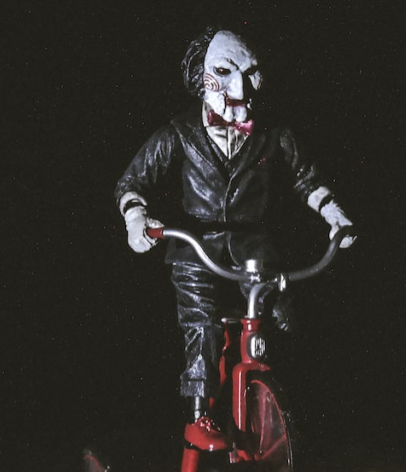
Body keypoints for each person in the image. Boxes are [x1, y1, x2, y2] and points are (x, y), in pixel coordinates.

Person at [114, 25, 355, 451]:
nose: (240, 89)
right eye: (224, 72)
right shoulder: (179, 132)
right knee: (201, 323)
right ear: (200, 75)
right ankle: (198, 416)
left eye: (251, 73)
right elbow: (133, 181)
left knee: (281, 317)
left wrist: (333, 214)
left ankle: (279, 409)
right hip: (195, 246)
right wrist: (137, 218)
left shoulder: (273, 134)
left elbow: (306, 178)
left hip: (251, 248)